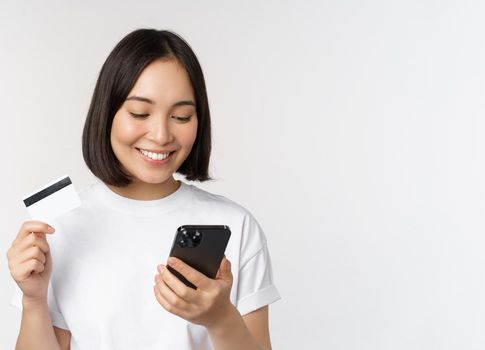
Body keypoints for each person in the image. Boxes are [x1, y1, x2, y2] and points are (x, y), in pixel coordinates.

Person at [6, 28, 281, 350]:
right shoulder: (61, 224)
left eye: (181, 116)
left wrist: (220, 318)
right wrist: (34, 300)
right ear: (107, 114)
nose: (161, 134)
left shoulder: (236, 225)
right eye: (139, 113)